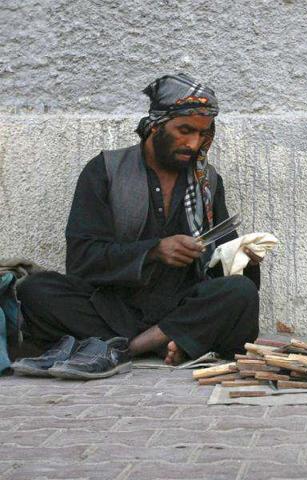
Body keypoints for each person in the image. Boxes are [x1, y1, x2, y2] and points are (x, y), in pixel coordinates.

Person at [12, 73, 262, 379]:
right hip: (110, 305)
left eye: (203, 134)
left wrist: (244, 257)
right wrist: (154, 251)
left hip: (180, 303)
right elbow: (81, 260)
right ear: (156, 125)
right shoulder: (105, 170)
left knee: (240, 293)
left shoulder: (206, 182)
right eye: (184, 131)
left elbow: (219, 266)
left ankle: (121, 349)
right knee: (35, 290)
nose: (194, 143)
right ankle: (166, 341)